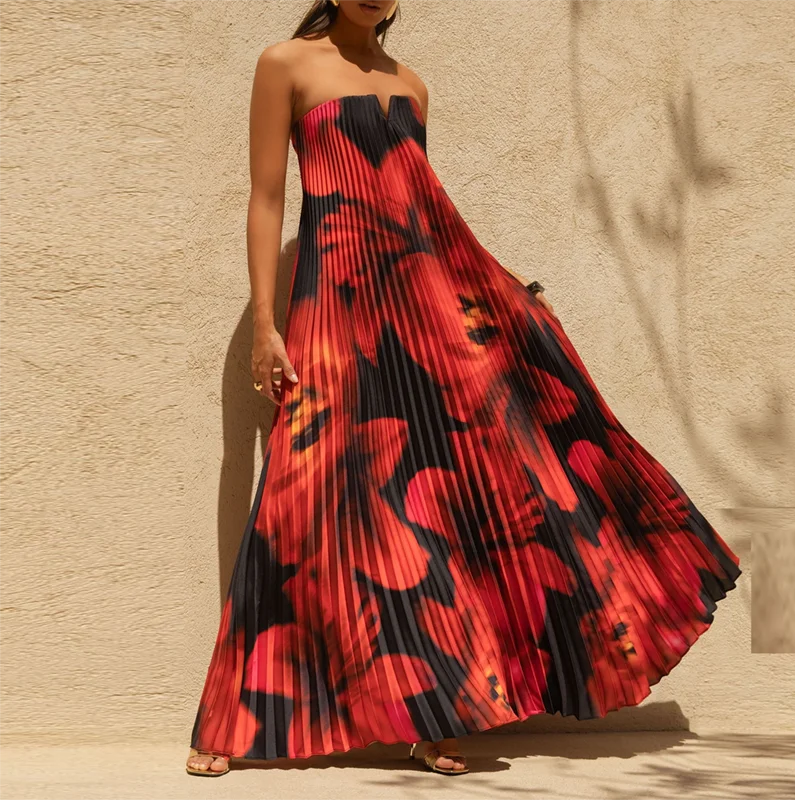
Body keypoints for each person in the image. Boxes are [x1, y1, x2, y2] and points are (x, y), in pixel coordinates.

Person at [185, 0, 741, 778]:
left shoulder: (411, 85)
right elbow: (268, 197)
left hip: (418, 305)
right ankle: (238, 717)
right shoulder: (285, 63)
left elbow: (423, 212)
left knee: (434, 493)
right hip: (333, 297)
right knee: (303, 487)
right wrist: (266, 322)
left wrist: (503, 291)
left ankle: (439, 708)